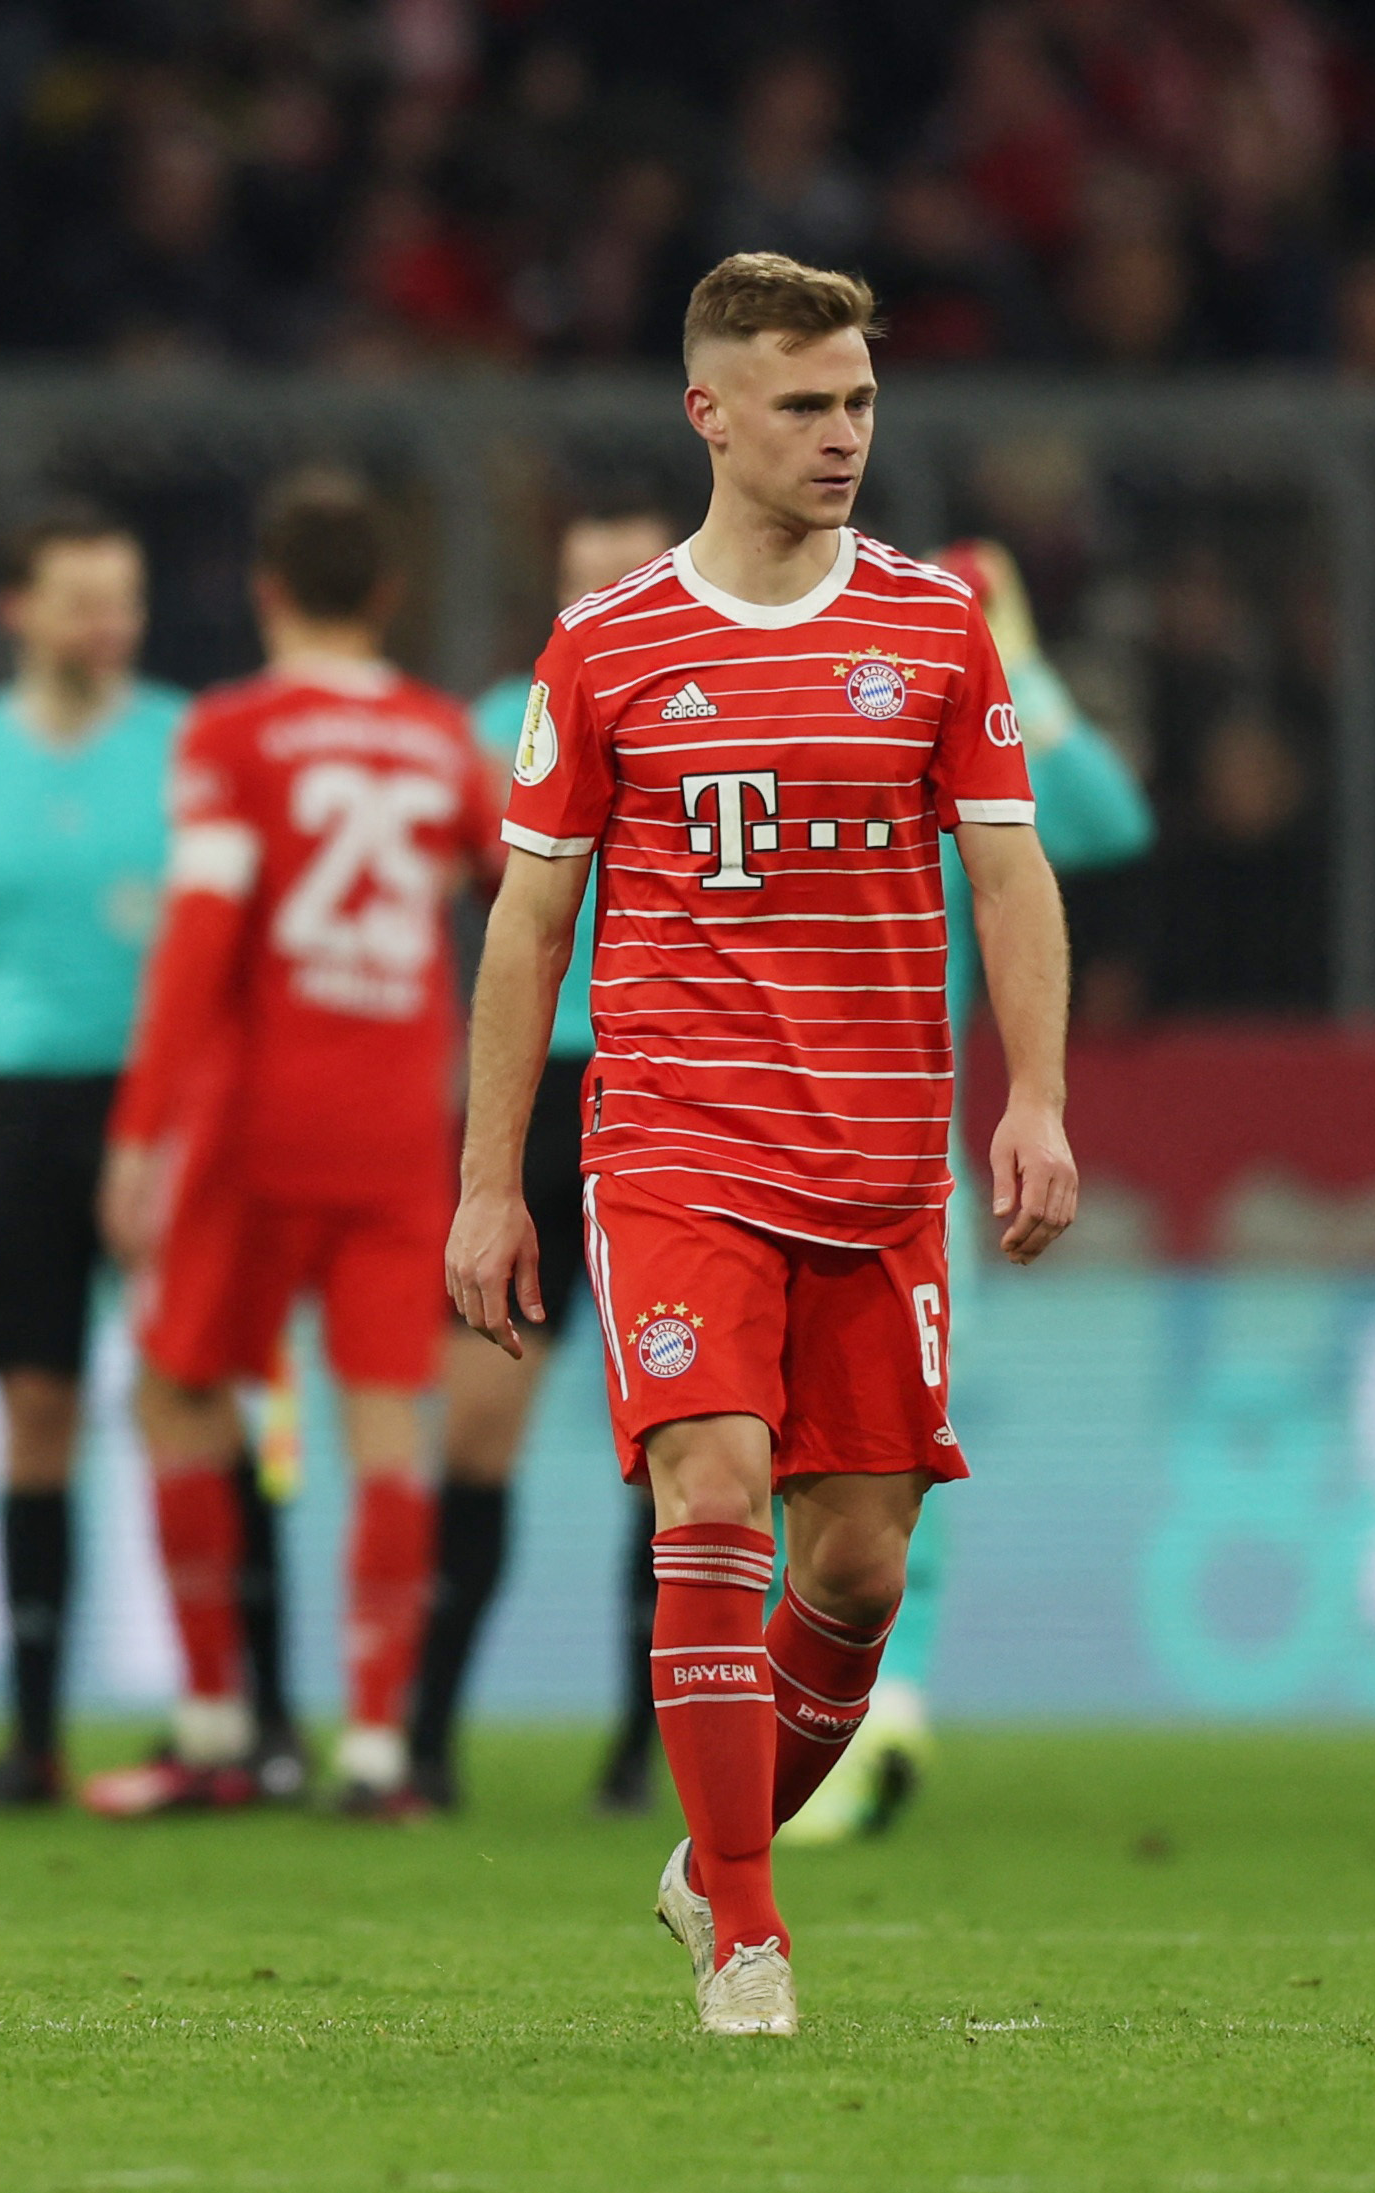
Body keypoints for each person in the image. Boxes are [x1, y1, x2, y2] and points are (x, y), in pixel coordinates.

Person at [448, 250, 1076, 2038]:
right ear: (709, 412)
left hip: (880, 1168)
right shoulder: (608, 646)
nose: (842, 434)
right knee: (709, 1486)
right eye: (805, 403)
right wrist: (493, 1178)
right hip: (673, 1145)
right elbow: (525, 926)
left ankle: (713, 1850)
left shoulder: (938, 625)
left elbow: (1012, 870)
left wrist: (1032, 1094)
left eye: (861, 399)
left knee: (859, 1562)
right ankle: (748, 1925)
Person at [84, 471, 509, 1821]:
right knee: (387, 1426)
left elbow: (201, 939)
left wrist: (141, 1131)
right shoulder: (445, 741)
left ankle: (215, 1727)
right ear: (387, 595)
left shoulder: (232, 731)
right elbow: (523, 895)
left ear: (264, 592)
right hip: (398, 1130)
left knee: (178, 1393)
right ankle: (378, 1751)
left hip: (256, 1124)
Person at [771, 534, 1151, 1845]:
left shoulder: (950, 766)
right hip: (736, 1138)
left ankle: (876, 1716)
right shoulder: (783, 747)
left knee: (879, 1454)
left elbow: (1103, 820)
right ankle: (781, 1725)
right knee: (746, 1453)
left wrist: (1022, 663)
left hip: (899, 1163)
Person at [0, 505, 200, 1809]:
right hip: (20, 1115)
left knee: (196, 1394)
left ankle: (236, 1718)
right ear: (19, 609)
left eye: (122, 598)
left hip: (165, 1113)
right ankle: (32, 1739)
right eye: (82, 600)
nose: (108, 623)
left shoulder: (189, 744)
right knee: (36, 1412)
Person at [407, 495, 682, 1816]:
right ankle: (424, 1737)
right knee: (476, 1425)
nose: (606, 602)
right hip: (529, 1098)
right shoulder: (480, 735)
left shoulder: (716, 715)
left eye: (628, 578)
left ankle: (645, 1745)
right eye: (586, 581)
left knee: (679, 1434)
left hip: (667, 1089)